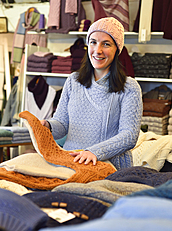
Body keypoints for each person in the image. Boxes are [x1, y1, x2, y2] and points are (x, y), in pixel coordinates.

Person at [40, 17, 143, 170]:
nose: (98, 50)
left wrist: (94, 152)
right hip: (71, 162)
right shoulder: (73, 81)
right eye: (93, 42)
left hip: (107, 166)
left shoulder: (129, 87)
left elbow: (129, 136)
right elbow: (62, 124)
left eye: (106, 44)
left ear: (117, 49)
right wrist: (47, 125)